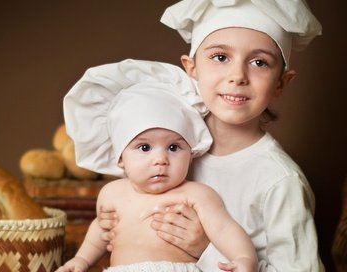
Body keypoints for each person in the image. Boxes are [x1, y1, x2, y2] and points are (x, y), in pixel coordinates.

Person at [98, 1, 325, 271]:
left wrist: (205, 248)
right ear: (191, 67)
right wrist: (118, 227)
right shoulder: (166, 146)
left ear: (280, 83)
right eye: (220, 57)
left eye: (259, 62)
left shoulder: (280, 181)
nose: (237, 76)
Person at [57, 59, 258, 272]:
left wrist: (244, 258)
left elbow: (225, 228)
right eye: (144, 148)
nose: (160, 159)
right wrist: (81, 260)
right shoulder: (111, 193)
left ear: (191, 154)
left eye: (173, 147)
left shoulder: (196, 195)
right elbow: (101, 230)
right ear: (120, 158)